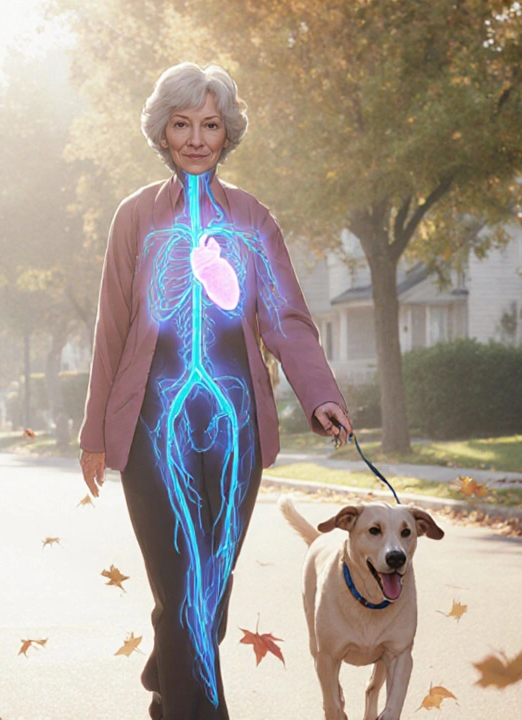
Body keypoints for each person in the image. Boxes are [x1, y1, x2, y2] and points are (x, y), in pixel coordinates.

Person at [78, 62, 352, 720]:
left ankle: (167, 673)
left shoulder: (254, 219)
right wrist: (94, 435)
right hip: (151, 426)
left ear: (227, 133)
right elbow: (111, 327)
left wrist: (319, 393)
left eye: (210, 124)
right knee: (182, 584)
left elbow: (285, 315)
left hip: (236, 429)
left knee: (209, 584)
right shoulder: (134, 218)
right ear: (163, 133)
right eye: (182, 124)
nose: (197, 138)